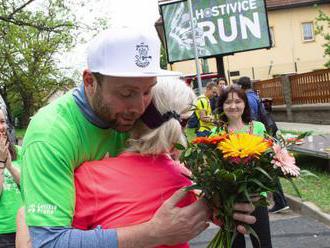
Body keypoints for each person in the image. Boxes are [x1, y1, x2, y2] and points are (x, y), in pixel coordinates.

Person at [20, 27, 256, 248]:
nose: (139, 107)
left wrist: (221, 206)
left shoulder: (133, 117)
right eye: (126, 93)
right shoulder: (50, 135)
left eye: (147, 91)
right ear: (90, 82)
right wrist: (154, 232)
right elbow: (49, 242)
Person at [215, 86, 273, 248]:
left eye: (238, 101)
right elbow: (214, 167)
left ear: (245, 104)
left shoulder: (258, 128)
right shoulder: (216, 133)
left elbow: (267, 159)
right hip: (229, 200)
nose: (233, 106)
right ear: (222, 106)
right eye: (228, 102)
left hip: (256, 197)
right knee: (234, 245)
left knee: (263, 243)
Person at [237, 77, 288, 213]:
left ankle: (280, 201)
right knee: (269, 168)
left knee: (268, 169)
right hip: (267, 131)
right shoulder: (254, 96)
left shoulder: (248, 99)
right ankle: (280, 201)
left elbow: (251, 120)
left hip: (260, 135)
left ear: (241, 86)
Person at [0, 108, 22, 248]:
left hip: (25, 227)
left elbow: (30, 186)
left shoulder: (19, 152)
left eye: (2, 121)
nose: (1, 127)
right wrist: (1, 164)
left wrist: (11, 167)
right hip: (2, 234)